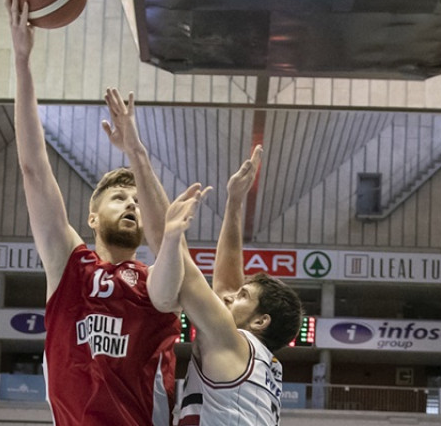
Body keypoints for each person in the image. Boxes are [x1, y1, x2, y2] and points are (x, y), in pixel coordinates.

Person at [5, 0, 184, 425]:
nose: (131, 204)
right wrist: (22, 63)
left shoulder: (153, 282)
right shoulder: (68, 265)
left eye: (138, 202)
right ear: (91, 216)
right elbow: (33, 169)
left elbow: (167, 265)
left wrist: (137, 154)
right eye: (120, 197)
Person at [102, 88, 303, 425]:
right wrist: (234, 203)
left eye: (242, 297)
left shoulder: (231, 341)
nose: (228, 295)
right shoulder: (259, 360)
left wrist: (137, 154)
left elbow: (178, 258)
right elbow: (227, 282)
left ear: (260, 320)